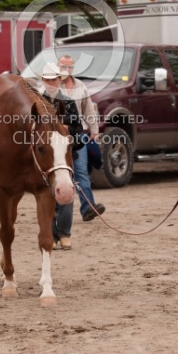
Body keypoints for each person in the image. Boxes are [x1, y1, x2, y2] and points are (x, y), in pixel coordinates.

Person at [38, 62, 82, 250]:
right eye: (47, 80)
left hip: (63, 155)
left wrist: (67, 129)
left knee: (66, 194)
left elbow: (78, 127)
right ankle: (52, 234)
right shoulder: (38, 103)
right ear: (43, 81)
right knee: (47, 195)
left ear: (59, 80)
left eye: (53, 79)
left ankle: (64, 233)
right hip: (47, 156)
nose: (50, 83)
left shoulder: (68, 102)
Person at [58, 54, 106, 222]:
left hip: (78, 136)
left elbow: (88, 109)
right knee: (61, 174)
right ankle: (56, 211)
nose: (66, 70)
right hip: (59, 139)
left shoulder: (80, 86)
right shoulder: (53, 87)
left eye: (69, 67)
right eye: (63, 66)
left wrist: (94, 131)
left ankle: (88, 208)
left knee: (81, 173)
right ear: (58, 67)